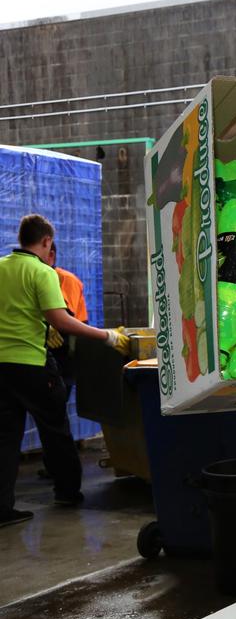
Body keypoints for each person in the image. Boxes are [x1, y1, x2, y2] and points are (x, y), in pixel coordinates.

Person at [1, 215, 129, 527]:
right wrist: (106, 335)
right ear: (46, 242)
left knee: (4, 438)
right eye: (50, 247)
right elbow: (61, 320)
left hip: (1, 368)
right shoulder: (41, 271)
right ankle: (67, 491)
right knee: (55, 428)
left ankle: (2, 509)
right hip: (31, 364)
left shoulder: (1, 266)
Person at [42, 241, 89, 395]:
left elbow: (66, 317)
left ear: (51, 256)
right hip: (43, 352)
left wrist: (51, 323)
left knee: (55, 403)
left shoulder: (65, 279)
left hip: (65, 351)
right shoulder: (36, 279)